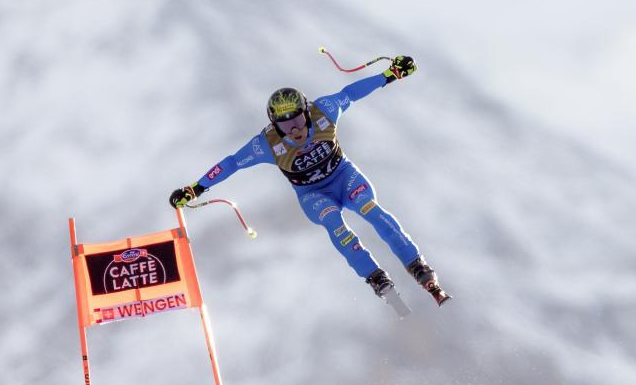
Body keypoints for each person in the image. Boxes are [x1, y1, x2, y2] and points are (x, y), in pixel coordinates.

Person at [169, 56, 451, 307]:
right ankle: (376, 278)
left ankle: (418, 266)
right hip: (314, 195)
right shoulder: (266, 144)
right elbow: (231, 163)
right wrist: (196, 188)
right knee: (336, 227)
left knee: (372, 212)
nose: (294, 128)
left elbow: (350, 93)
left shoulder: (324, 110)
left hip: (345, 178)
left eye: (298, 120)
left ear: (306, 111)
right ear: (274, 125)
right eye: (285, 125)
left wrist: (390, 75)